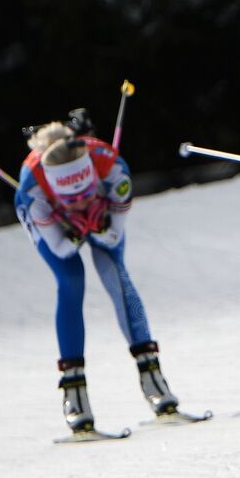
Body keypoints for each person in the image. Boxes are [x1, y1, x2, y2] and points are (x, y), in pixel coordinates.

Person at [14, 120, 180, 435]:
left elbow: (114, 237)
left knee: (115, 275)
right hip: (54, 225)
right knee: (71, 281)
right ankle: (75, 397)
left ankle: (155, 384)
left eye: (87, 193)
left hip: (86, 210)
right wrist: (76, 230)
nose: (81, 201)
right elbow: (61, 249)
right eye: (71, 199)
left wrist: (100, 226)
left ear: (94, 178)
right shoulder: (33, 192)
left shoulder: (112, 168)